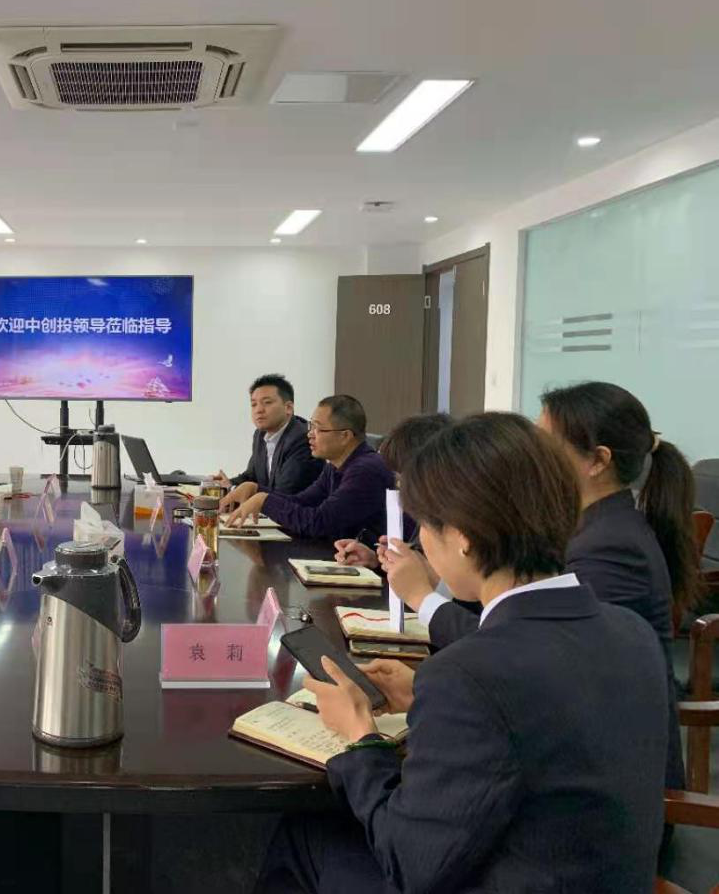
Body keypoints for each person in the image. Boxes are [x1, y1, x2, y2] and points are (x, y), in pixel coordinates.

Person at [254, 413, 669, 894]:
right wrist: (425, 694)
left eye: (426, 527)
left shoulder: (469, 674)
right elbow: (546, 722)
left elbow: (409, 862)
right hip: (597, 873)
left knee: (303, 836)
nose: (422, 544)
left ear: (464, 537)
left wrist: (361, 736)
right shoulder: (632, 632)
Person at [398, 382, 700, 655]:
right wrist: (449, 573)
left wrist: (423, 598)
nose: (530, 457)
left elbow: (527, 650)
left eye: (544, 446)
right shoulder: (582, 526)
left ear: (598, 460)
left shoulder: (611, 547)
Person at [227, 395, 392, 542]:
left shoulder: (365, 471)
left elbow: (319, 523)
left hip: (374, 564)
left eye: (318, 428)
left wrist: (265, 500)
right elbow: (303, 502)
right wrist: (256, 490)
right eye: (311, 426)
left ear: (345, 436)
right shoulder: (335, 465)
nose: (310, 434)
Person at [331, 412, 453, 570]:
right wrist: (376, 560)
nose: (400, 485)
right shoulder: (427, 515)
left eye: (403, 476)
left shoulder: (455, 523)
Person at [216, 374, 323, 510]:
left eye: (267, 402)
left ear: (288, 408)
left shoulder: (302, 439)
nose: (259, 410)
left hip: (297, 519)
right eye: (254, 404)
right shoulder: (260, 435)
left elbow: (284, 495)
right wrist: (226, 484)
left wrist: (233, 489)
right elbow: (251, 476)